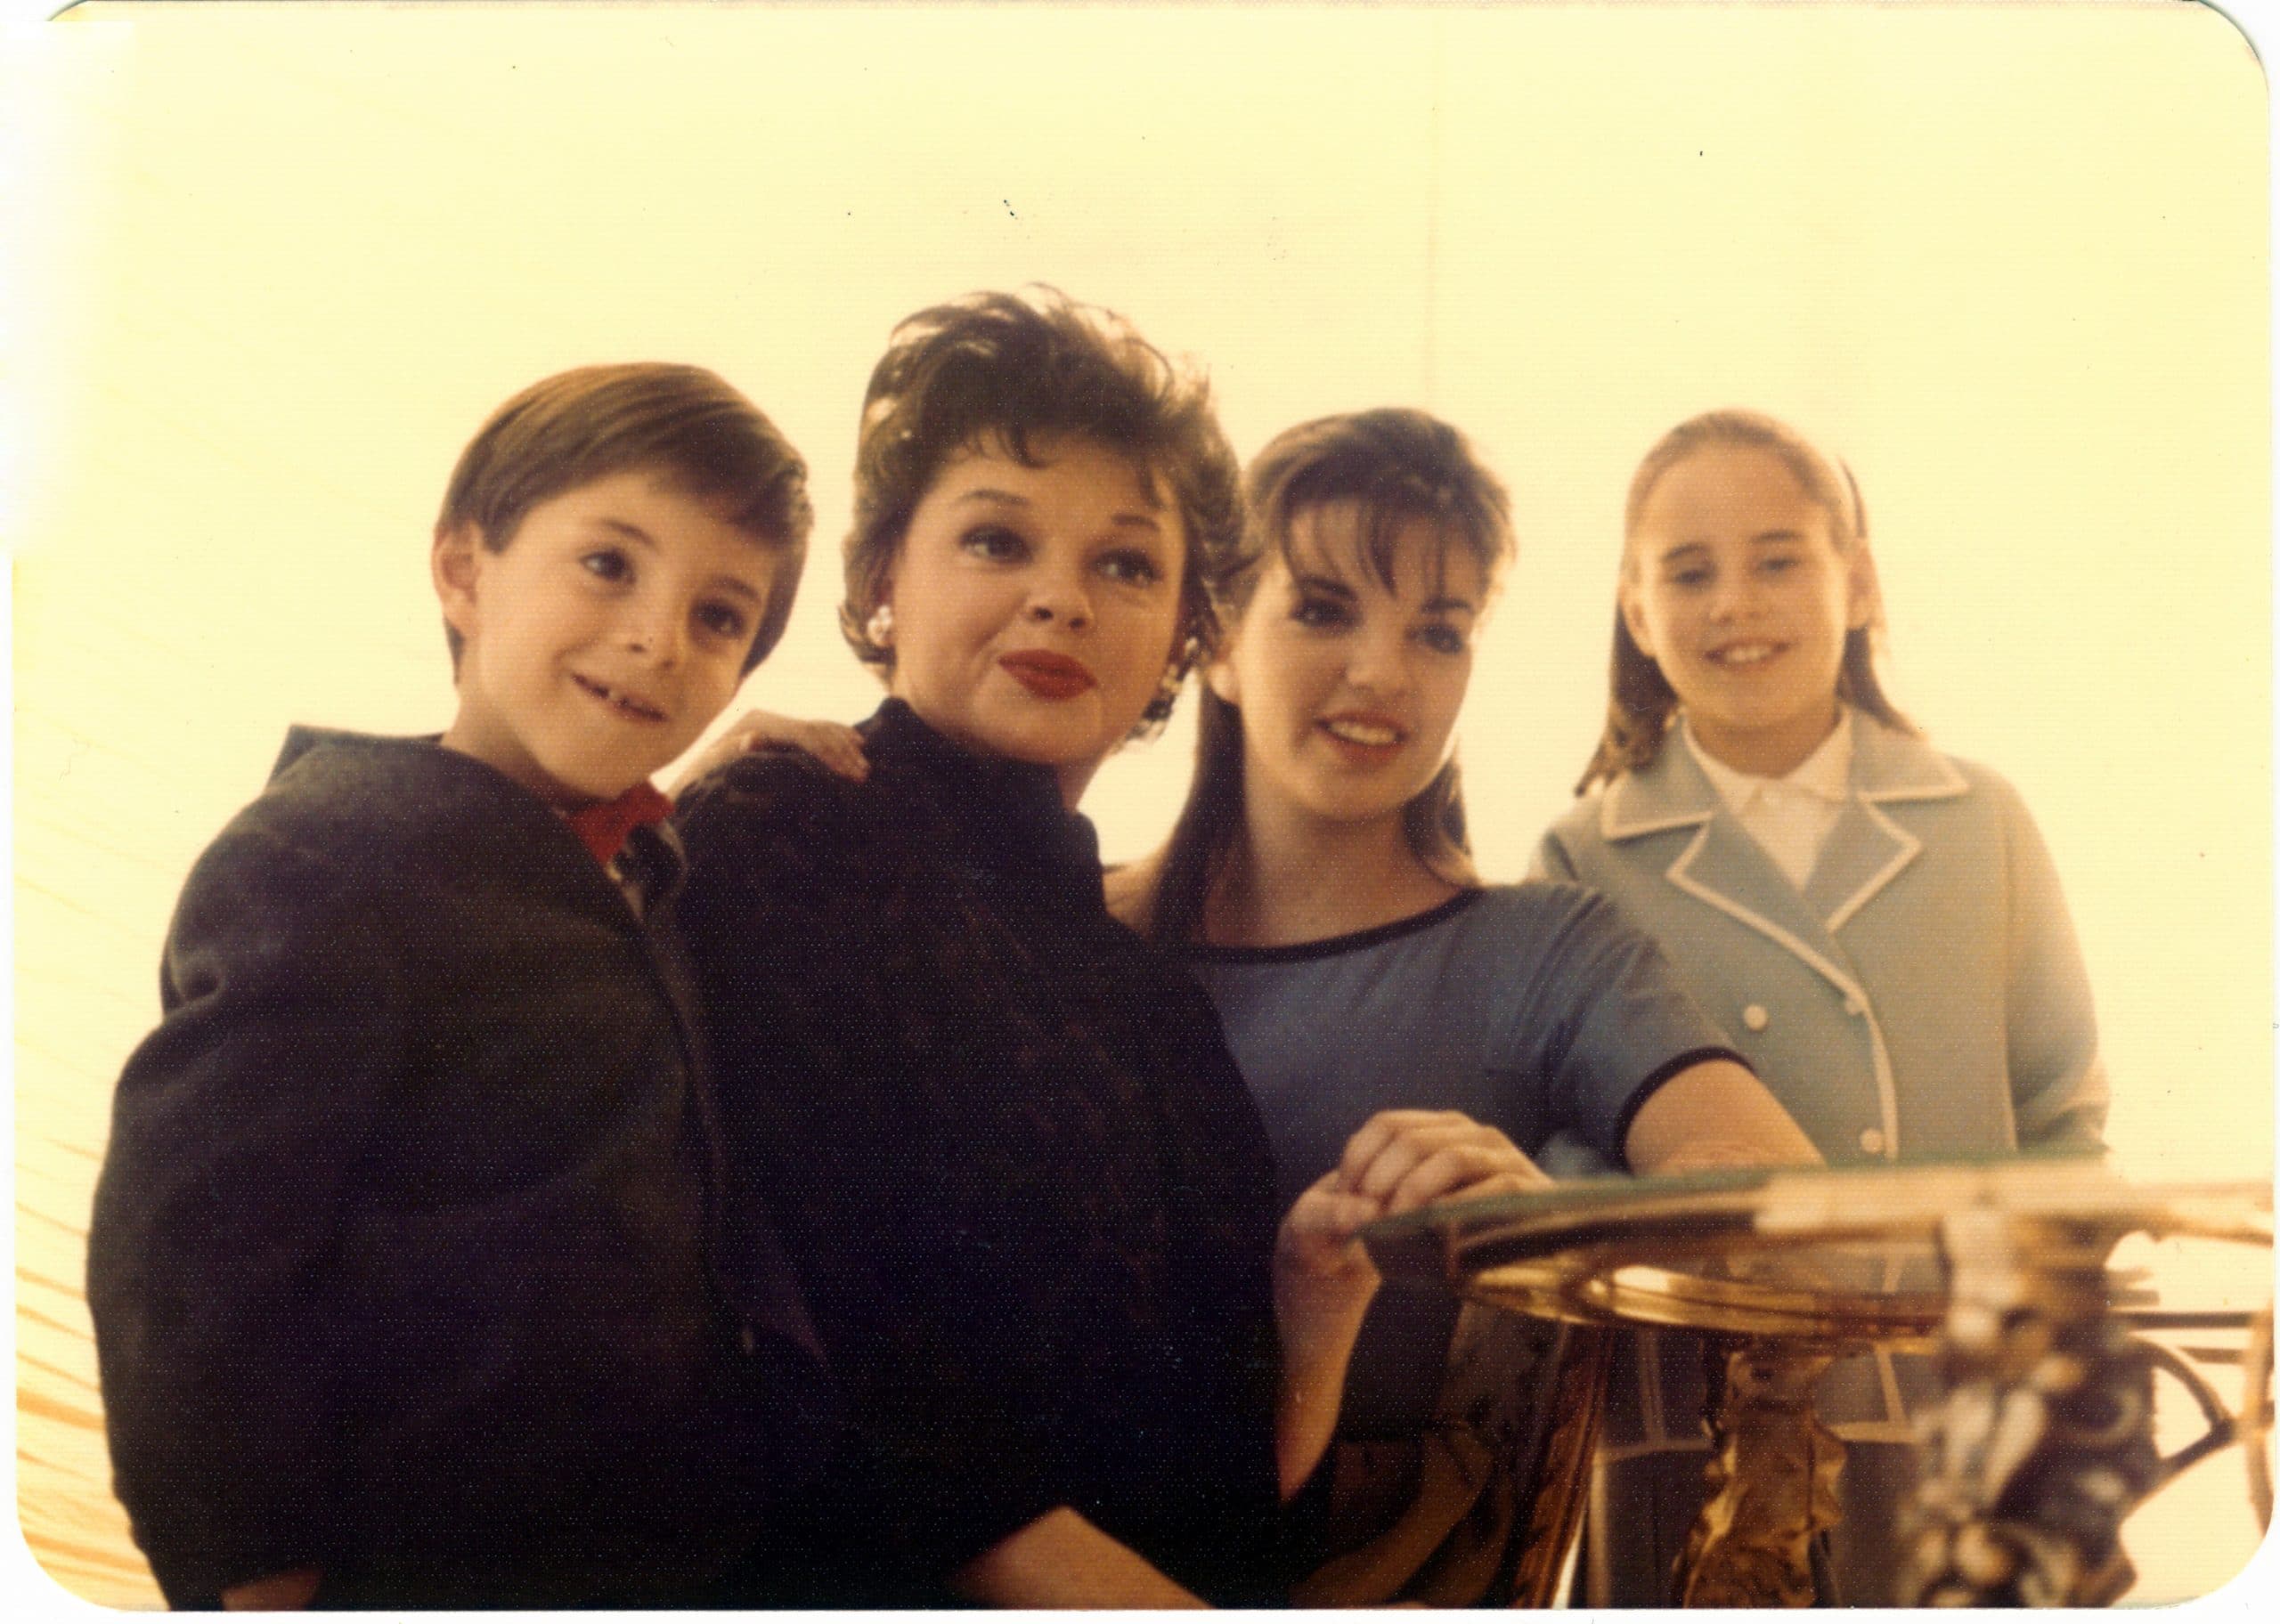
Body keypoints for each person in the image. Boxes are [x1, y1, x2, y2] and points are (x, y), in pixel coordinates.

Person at [715, 407, 1825, 1603]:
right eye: (1323, 608)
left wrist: (1549, 1234)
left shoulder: (1548, 948)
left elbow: (1783, 1203)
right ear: (1218, 644)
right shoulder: (1064, 941)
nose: (1383, 674)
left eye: (1439, 633)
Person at [670, 293, 1539, 1608]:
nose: (1060, 601)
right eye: (996, 539)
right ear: (878, 582)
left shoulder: (1140, 988)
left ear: (1190, 636)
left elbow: (1242, 1509)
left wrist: (1317, 1289)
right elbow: (896, 1416)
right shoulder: (789, 828)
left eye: (1127, 565)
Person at [86, 364, 840, 1611]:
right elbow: (187, 1274)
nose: (659, 635)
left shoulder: (636, 860)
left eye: (720, 619)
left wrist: (705, 780)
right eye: (610, 565)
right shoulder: (323, 859)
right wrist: (258, 1583)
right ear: (463, 569)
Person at [1537, 407, 2109, 1604]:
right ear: (1638, 615)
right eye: (1688, 573)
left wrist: (2061, 1425)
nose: (1735, 602)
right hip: (1692, 1434)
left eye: (1779, 559)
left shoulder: (1981, 822)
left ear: (1856, 582)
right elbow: (1564, 1165)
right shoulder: (1585, 854)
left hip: (1959, 1413)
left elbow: (2065, 1127)